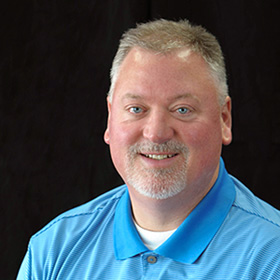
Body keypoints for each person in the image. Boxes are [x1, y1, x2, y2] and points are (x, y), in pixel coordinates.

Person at [17, 19, 280, 279]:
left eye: (182, 109)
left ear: (224, 119)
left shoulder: (272, 258)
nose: (156, 133)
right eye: (136, 109)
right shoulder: (53, 250)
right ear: (110, 118)